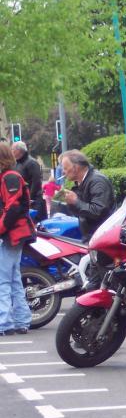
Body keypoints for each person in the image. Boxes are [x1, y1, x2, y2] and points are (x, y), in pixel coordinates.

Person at [0, 142, 36, 336]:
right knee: (12, 279)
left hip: (11, 234)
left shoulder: (9, 177)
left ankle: (5, 323)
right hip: (14, 234)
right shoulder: (10, 176)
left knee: (3, 280)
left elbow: (12, 208)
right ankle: (21, 321)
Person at [60, 150, 115, 243]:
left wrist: (76, 201)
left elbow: (98, 211)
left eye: (65, 168)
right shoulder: (81, 182)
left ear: (75, 167)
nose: (63, 172)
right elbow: (81, 213)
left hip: (101, 237)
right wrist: (69, 202)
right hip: (91, 236)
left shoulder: (97, 181)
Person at [12, 141, 45, 221]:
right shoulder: (17, 163)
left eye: (13, 149)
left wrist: (29, 198)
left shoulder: (31, 163)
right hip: (23, 199)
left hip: (34, 200)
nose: (11, 151)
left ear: (19, 151)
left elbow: (36, 182)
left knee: (35, 222)